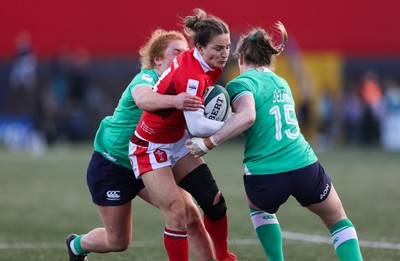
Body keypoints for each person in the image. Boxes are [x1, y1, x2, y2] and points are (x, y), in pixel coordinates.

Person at [186, 22, 364, 261]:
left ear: (241, 60)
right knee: (338, 220)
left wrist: (208, 142)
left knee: (259, 209)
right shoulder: (283, 83)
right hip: (304, 165)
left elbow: (248, 116)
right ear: (269, 58)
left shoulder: (240, 83)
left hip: (265, 173)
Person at [66, 29, 216, 261]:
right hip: (114, 165)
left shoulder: (183, 84)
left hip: (151, 159)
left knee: (190, 215)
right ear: (157, 59)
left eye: (185, 53)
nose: (182, 57)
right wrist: (176, 101)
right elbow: (143, 99)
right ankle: (77, 245)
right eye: (176, 52)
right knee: (118, 242)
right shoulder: (147, 77)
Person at [129, 8, 236, 261]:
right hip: (150, 146)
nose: (224, 54)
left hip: (175, 141)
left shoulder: (204, 62)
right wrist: (232, 123)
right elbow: (198, 127)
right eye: (218, 48)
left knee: (214, 202)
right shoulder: (194, 75)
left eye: (228, 47)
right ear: (198, 48)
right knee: (178, 214)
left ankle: (224, 257)